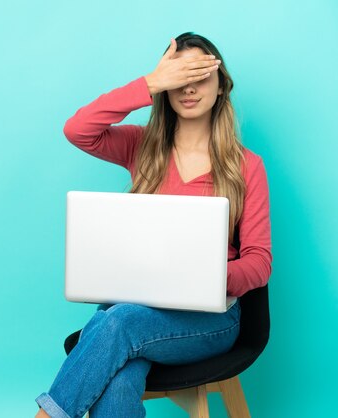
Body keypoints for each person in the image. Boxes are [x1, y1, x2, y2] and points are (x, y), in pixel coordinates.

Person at [34, 32, 272, 418]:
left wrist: (202, 276)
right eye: (179, 77)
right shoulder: (141, 148)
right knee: (121, 375)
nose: (189, 87)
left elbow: (260, 261)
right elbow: (78, 130)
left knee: (117, 323)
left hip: (209, 320)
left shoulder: (247, 166)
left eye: (200, 75)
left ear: (221, 86)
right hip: (134, 309)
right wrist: (150, 82)